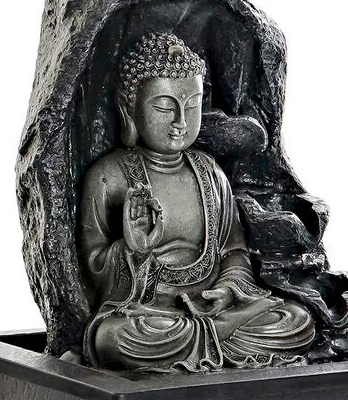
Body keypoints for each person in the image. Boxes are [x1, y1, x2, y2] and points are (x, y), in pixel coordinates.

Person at [78, 32, 313, 372]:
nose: (180, 122)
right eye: (164, 107)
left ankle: (208, 337)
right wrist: (134, 250)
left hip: (213, 307)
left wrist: (228, 290)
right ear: (129, 108)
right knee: (112, 338)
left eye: (191, 106)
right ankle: (215, 339)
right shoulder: (108, 176)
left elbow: (233, 252)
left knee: (296, 319)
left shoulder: (211, 173)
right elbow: (94, 269)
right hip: (150, 312)